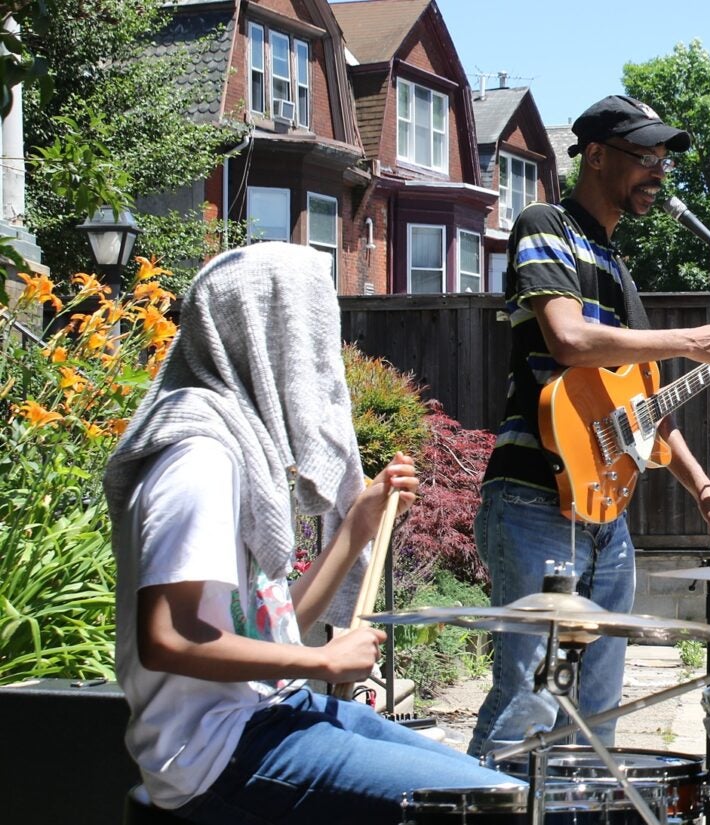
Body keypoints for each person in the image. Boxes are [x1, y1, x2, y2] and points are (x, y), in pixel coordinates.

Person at [106, 243, 516, 823]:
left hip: (273, 713)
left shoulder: (236, 449)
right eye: (313, 336)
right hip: (219, 754)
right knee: (487, 810)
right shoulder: (198, 460)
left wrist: (357, 526)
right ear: (273, 338)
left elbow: (278, 632)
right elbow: (168, 637)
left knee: (495, 790)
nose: (325, 362)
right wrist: (323, 662)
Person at [470, 95, 710, 756]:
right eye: (645, 156)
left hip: (606, 518)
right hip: (535, 495)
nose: (659, 171)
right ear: (595, 155)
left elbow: (644, 411)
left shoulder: (620, 272)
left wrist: (704, 488)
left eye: (664, 160)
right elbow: (566, 338)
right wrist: (689, 339)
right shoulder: (545, 224)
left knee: (595, 718)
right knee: (528, 700)